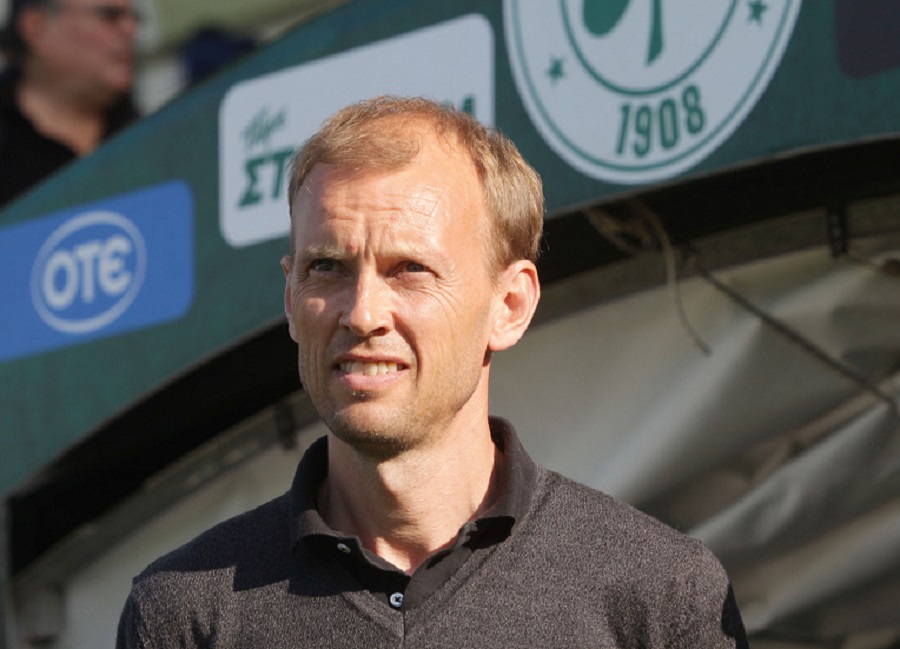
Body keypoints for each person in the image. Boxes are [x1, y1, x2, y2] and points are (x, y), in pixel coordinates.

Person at [116, 96, 749, 648]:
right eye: (327, 268)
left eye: (410, 270)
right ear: (289, 299)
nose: (362, 314)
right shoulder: (183, 612)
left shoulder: (659, 595)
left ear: (510, 306)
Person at [0, 0, 139, 207]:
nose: (130, 29)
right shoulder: (8, 144)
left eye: (135, 17)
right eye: (109, 16)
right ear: (36, 26)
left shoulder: (148, 131)